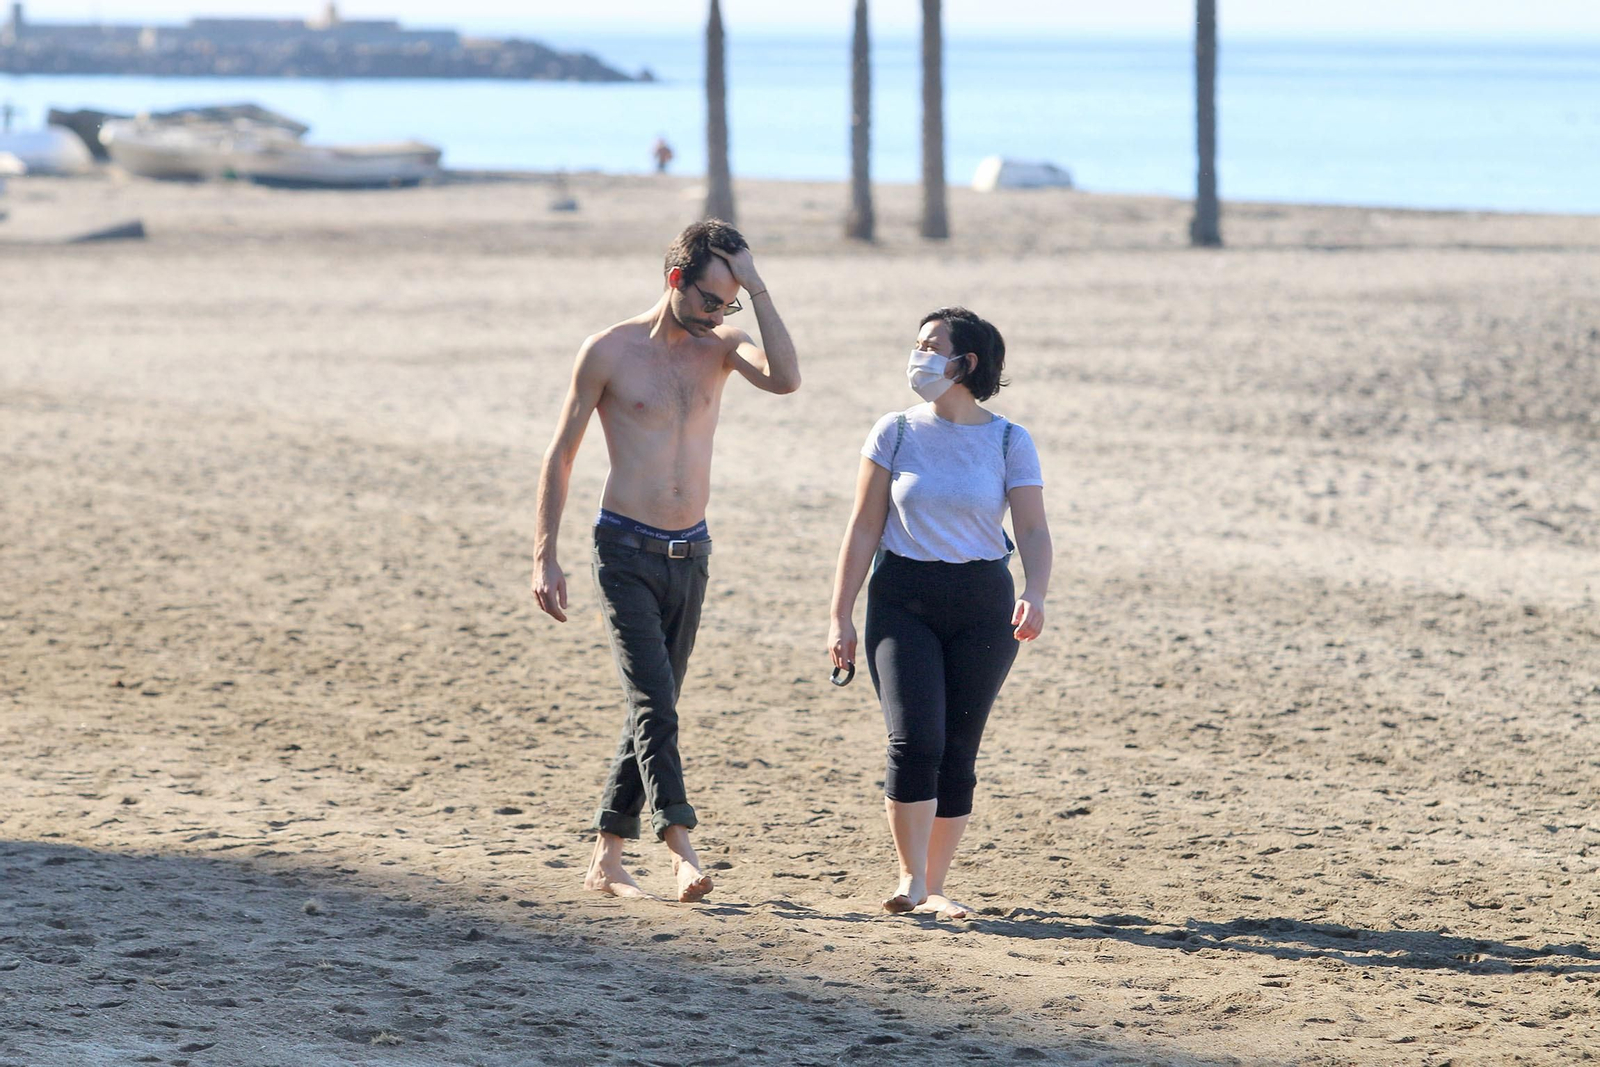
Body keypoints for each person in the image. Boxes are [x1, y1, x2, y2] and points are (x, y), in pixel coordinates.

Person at [533, 219, 800, 902]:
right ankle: (681, 845)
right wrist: (546, 557)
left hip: (692, 551)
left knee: (653, 703)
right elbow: (560, 455)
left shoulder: (723, 345)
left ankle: (606, 858)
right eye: (712, 298)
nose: (719, 314)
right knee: (655, 700)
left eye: (730, 302)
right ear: (675, 280)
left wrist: (757, 287)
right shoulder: (609, 351)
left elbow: (787, 379)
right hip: (623, 547)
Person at [827, 306, 1052, 919]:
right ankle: (909, 878)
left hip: (984, 603)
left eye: (930, 345)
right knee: (914, 739)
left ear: (965, 363)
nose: (917, 354)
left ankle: (935, 883)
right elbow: (864, 526)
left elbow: (1031, 528)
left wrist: (1035, 589)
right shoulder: (893, 431)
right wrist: (840, 615)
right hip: (902, 599)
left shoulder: (1009, 439)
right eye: (917, 343)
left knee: (957, 747)